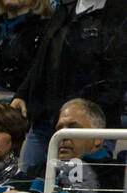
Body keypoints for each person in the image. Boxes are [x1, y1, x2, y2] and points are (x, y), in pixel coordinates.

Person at [11, 0, 127, 170]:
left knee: (84, 188)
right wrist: (22, 93)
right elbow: (43, 58)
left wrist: (84, 112)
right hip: (46, 119)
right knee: (29, 184)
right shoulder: (66, 7)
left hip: (90, 127)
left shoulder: (120, 13)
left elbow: (118, 78)